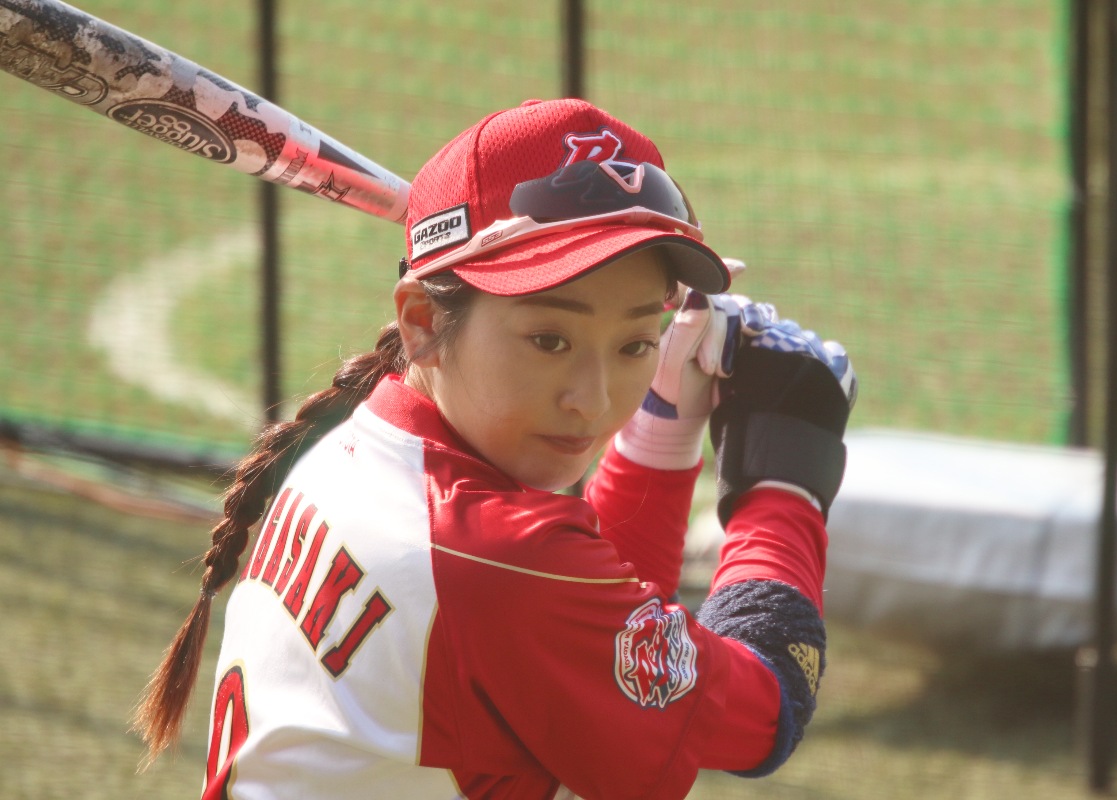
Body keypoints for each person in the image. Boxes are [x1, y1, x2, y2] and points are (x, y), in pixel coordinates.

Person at [134, 97, 857, 799]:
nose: (593, 400)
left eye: (637, 342)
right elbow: (765, 712)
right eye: (549, 340)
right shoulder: (490, 559)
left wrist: (663, 428)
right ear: (420, 320)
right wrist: (788, 466)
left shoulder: (357, 450)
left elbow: (600, 619)